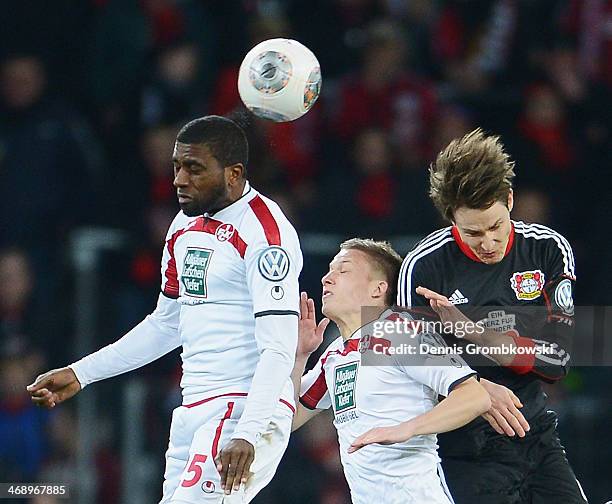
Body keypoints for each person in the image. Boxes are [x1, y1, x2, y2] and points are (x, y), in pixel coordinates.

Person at [27, 115, 302, 504]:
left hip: (241, 410)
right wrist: (81, 372)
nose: (179, 180)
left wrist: (247, 432)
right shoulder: (183, 226)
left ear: (234, 173)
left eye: (194, 169)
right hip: (193, 410)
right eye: (176, 167)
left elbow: (279, 347)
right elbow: (166, 325)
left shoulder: (266, 233)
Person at [397, 128, 587, 503]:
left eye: (496, 226)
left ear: (511, 200)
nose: (488, 243)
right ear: (451, 220)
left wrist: (473, 333)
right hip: (464, 447)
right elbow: (406, 363)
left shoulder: (547, 250)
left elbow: (558, 361)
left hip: (534, 435)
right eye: (472, 232)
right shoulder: (423, 266)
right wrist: (477, 391)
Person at [291, 238, 491, 503]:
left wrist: (406, 429)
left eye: (343, 270)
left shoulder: (398, 333)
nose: (327, 278)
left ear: (378, 289)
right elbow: (288, 418)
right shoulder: (335, 354)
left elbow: (474, 397)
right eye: (329, 270)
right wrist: (298, 358)